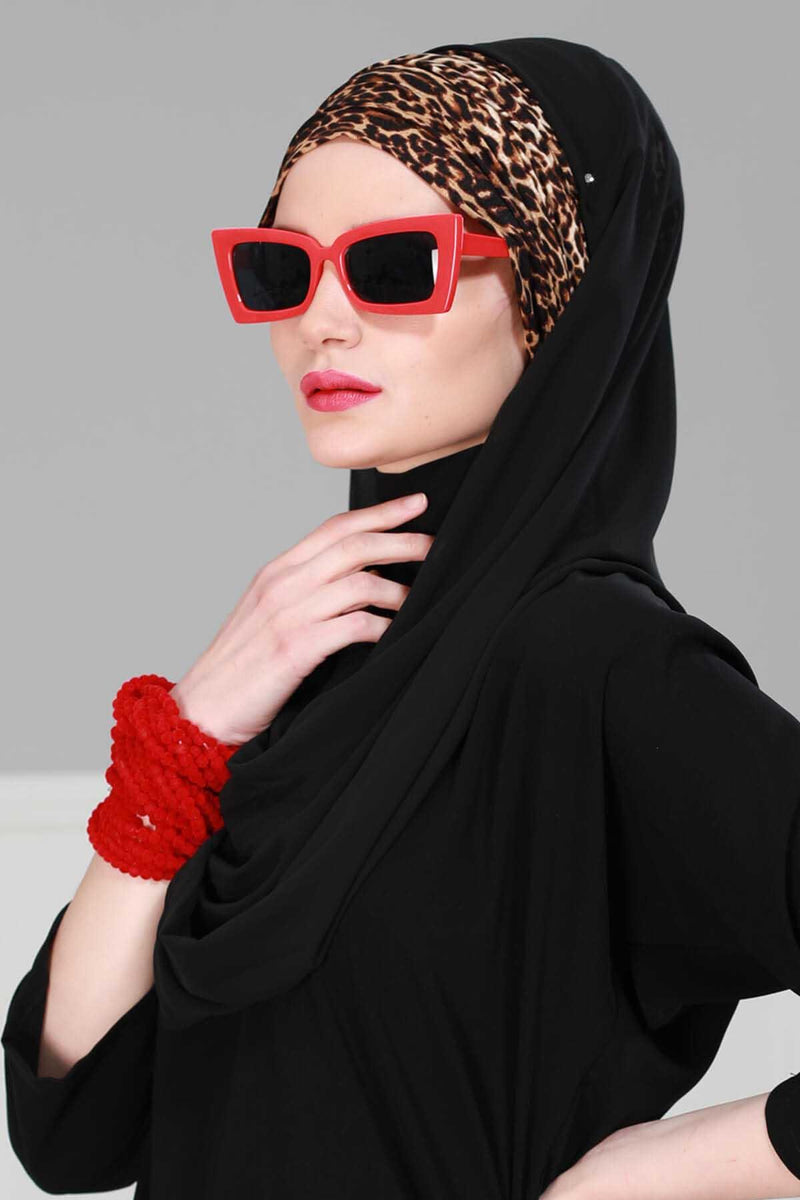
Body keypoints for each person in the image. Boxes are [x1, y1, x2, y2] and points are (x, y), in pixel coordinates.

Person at [5, 34, 800, 1200]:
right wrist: (190, 734)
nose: (319, 323)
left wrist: (650, 1178)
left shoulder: (599, 666)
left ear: (554, 294)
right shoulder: (304, 673)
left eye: (390, 266)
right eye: (282, 271)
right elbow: (69, 1128)